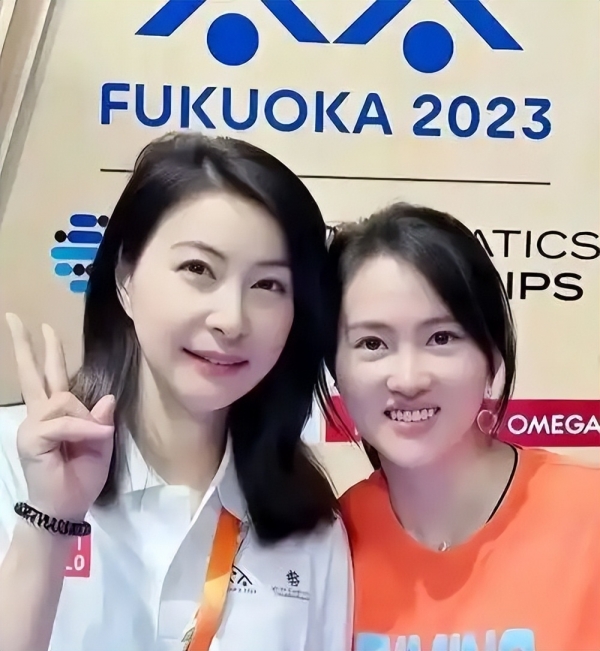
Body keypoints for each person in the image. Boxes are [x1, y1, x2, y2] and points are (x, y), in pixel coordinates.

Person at [0, 132, 352, 651]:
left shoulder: (310, 526)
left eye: (268, 285)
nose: (231, 319)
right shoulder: (15, 462)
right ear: (125, 277)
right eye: (198, 270)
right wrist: (49, 521)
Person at [322, 202, 600, 651]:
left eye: (441, 338)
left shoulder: (589, 515)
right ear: (335, 367)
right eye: (372, 343)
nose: (407, 379)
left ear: (492, 356)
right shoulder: (324, 545)